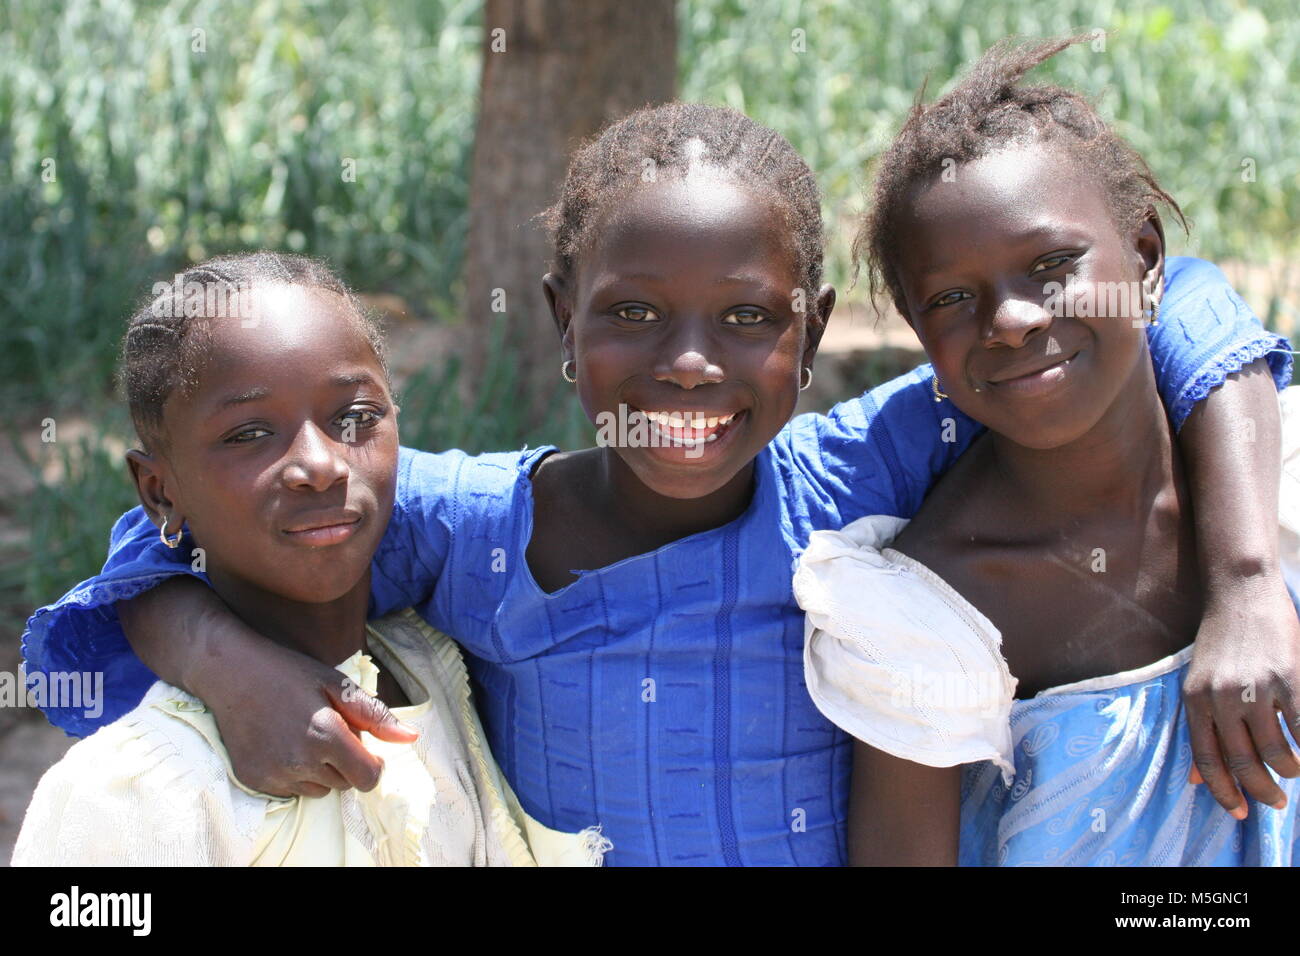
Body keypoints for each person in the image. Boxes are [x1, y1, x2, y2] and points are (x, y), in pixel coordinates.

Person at [21, 104, 1296, 865]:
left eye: (748, 317)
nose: (689, 364)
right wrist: (218, 654)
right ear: (565, 322)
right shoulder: (466, 528)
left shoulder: (850, 474)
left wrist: (1244, 586)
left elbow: (1175, 296)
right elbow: (178, 540)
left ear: (814, 333)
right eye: (632, 312)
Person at [795, 36, 1300, 865]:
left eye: (1053, 265)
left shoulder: (1274, 485)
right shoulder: (926, 610)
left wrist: (1247, 591)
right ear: (921, 337)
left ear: (1144, 259)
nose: (1013, 320)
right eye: (953, 298)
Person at [12, 253, 607, 866]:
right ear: (160, 492)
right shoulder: (129, 793)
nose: (320, 465)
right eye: (248, 434)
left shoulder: (441, 659)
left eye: (354, 417)